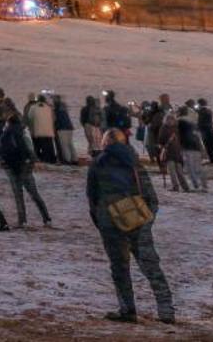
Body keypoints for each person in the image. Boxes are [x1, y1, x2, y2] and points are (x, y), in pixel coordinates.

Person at [88, 130, 175, 325]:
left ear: (106, 143)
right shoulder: (134, 164)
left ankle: (127, 309)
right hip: (138, 221)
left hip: (110, 223)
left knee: (119, 268)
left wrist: (102, 222)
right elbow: (151, 197)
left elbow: (92, 197)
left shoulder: (97, 164)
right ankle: (166, 308)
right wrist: (145, 220)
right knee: (151, 266)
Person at [0, 110, 52, 226]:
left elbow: (0, 151)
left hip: (11, 168)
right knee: (34, 194)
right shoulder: (23, 132)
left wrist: (4, 164)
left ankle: (22, 220)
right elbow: (30, 150)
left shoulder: (5, 133)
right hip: (25, 166)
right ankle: (47, 218)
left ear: (8, 122)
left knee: (18, 195)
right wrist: (30, 163)